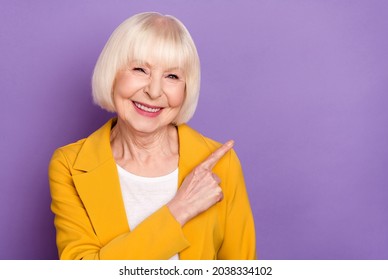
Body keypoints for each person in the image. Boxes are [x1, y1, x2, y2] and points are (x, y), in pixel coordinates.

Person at [49, 12, 256, 260]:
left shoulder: (221, 163)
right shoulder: (69, 165)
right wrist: (178, 210)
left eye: (172, 76)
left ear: (186, 88)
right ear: (112, 74)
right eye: (140, 69)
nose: (154, 91)